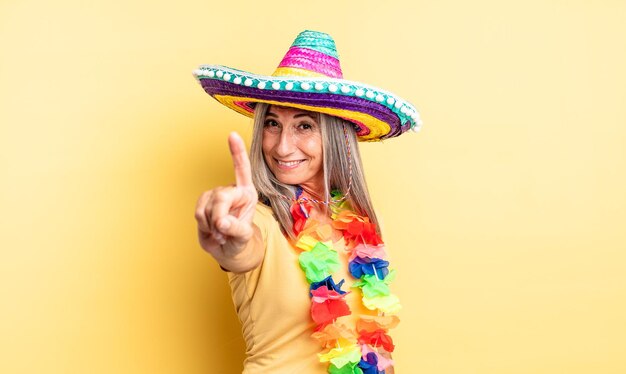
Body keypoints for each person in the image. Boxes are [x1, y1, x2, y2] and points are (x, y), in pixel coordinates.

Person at [193, 30, 421, 374]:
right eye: (272, 123)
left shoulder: (364, 227)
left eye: (303, 126)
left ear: (335, 135)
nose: (282, 147)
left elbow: (373, 348)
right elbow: (242, 249)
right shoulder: (258, 220)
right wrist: (229, 239)